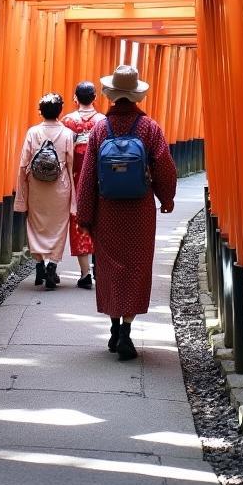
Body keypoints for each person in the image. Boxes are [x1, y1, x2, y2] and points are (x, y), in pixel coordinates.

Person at [76, 64, 177, 360]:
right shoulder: (149, 128)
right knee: (135, 267)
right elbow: (165, 167)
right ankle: (127, 333)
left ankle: (113, 325)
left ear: (110, 95)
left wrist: (84, 216)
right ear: (135, 96)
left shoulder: (99, 129)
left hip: (107, 210)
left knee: (108, 267)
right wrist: (166, 197)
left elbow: (87, 177)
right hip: (139, 211)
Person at [14, 92, 76, 291]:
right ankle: (52, 265)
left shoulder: (33, 132)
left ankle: (39, 264)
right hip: (60, 185)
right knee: (58, 225)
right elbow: (70, 163)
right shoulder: (67, 133)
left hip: (37, 185)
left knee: (36, 223)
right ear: (60, 111)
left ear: (41, 111)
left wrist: (21, 192)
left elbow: (24, 163)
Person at [61, 81, 106, 289]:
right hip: (100, 178)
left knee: (79, 221)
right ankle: (100, 263)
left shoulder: (68, 121)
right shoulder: (103, 122)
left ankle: (85, 273)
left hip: (76, 177)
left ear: (75, 98)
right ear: (95, 98)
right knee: (100, 219)